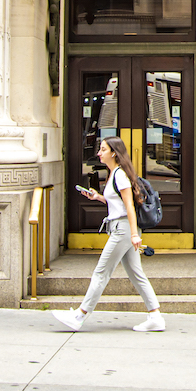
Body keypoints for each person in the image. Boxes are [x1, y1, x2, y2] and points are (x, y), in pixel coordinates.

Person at [53, 136, 164, 332]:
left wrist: (133, 235)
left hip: (122, 230)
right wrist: (98, 197)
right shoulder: (114, 173)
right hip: (122, 228)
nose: (98, 153)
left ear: (114, 152)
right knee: (136, 274)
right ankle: (155, 316)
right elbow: (119, 204)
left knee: (101, 272)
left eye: (102, 149)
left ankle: (79, 316)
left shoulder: (120, 174)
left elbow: (129, 206)